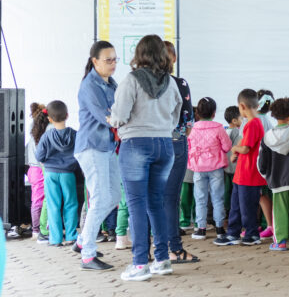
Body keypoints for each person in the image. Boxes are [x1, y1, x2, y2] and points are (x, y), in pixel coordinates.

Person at [111, 34, 181, 281]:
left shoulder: (131, 80)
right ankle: (162, 260)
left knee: (136, 204)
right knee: (156, 203)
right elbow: (176, 115)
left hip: (136, 145)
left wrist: (113, 119)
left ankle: (140, 263)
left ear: (139, 54)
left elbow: (119, 115)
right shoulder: (171, 83)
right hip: (165, 145)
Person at [73, 40, 121, 271]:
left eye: (115, 59)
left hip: (108, 146)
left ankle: (82, 241)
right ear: (95, 61)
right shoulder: (89, 86)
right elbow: (107, 117)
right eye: (108, 60)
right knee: (101, 197)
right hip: (91, 147)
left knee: (114, 196)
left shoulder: (111, 83)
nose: (113, 64)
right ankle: (88, 256)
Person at [214, 89, 267, 247]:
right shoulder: (250, 124)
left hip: (249, 175)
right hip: (242, 174)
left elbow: (245, 148)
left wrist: (235, 149)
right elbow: (244, 144)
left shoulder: (253, 124)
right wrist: (236, 151)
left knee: (247, 207)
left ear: (242, 106)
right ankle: (233, 233)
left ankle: (252, 234)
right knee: (236, 206)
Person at [162, 41, 198, 264]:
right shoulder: (179, 83)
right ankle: (174, 248)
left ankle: (147, 250)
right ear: (173, 58)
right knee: (170, 197)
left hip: (149, 143)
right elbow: (188, 122)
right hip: (175, 142)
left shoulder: (142, 83)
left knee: (149, 198)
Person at [258, 97, 289, 252]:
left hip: (276, 181)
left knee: (278, 212)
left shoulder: (267, 136)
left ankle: (281, 242)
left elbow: (262, 163)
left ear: (274, 116)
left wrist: (266, 175)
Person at [34, 101, 78, 247]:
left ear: (50, 119)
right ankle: (71, 236)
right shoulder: (75, 134)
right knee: (71, 204)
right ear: (67, 115)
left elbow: (39, 156)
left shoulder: (46, 136)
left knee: (53, 205)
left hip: (50, 173)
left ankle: (55, 239)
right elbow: (81, 152)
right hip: (68, 174)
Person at [187, 97, 232, 242]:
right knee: (217, 198)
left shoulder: (192, 128)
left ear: (197, 113)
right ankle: (220, 229)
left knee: (200, 198)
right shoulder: (218, 127)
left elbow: (188, 147)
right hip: (216, 167)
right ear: (214, 113)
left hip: (198, 167)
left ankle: (201, 229)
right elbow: (227, 147)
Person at [26, 103, 49, 242]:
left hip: (33, 169)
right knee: (39, 201)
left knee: (37, 200)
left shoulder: (32, 132)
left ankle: (37, 230)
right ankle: (37, 231)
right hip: (39, 169)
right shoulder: (40, 135)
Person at [255, 89, 276, 240]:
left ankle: (268, 225)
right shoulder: (268, 121)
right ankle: (267, 224)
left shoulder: (255, 120)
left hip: (258, 163)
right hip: (268, 162)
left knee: (261, 195)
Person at [223, 105, 242, 212]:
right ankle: (234, 209)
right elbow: (237, 148)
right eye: (241, 118)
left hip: (226, 166)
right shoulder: (236, 132)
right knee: (235, 190)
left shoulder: (225, 131)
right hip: (235, 166)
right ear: (234, 120)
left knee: (227, 189)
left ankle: (227, 209)